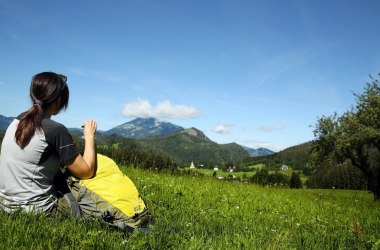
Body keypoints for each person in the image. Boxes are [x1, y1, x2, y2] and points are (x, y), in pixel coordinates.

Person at [0, 72, 97, 217]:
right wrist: (89, 136)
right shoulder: (55, 130)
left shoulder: (18, 121)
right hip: (35, 209)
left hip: (5, 203)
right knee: (89, 199)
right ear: (59, 101)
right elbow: (86, 172)